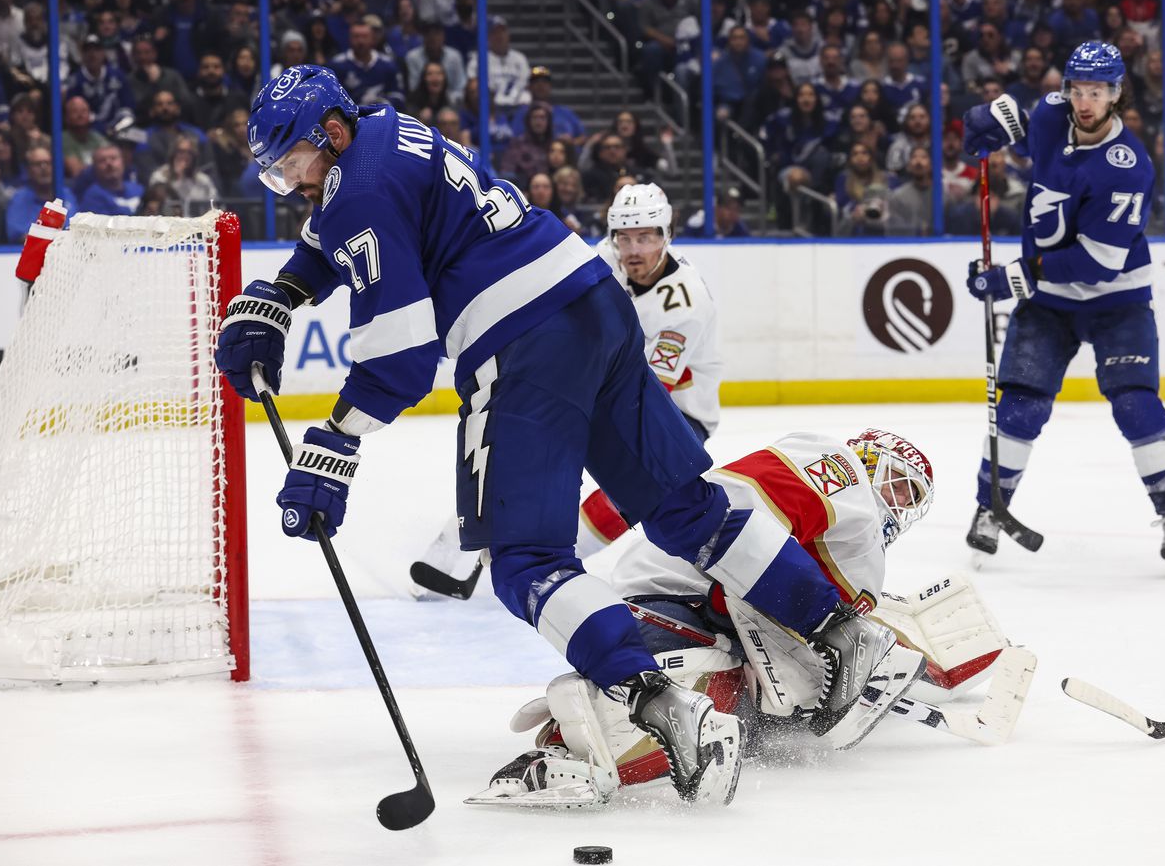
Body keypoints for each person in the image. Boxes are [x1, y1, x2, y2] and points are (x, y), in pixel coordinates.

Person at [218, 66, 890, 806]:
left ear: (331, 135)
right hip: (589, 297)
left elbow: (400, 357)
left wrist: (333, 445)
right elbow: (342, 232)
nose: (295, 183)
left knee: (525, 561)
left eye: (293, 165)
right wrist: (284, 291)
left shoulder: (355, 189)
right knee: (685, 508)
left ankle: (672, 712)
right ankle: (841, 630)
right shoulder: (385, 129)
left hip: (522, 343)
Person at [468, 428, 945, 807]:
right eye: (896, 481)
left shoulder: (859, 551)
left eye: (910, 497)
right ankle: (578, 747)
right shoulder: (840, 471)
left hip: (700, 616)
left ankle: (589, 738)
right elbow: (754, 507)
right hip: (673, 596)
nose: (898, 501)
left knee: (718, 708)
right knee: (660, 699)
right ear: (866, 459)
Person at [960, 41, 1165, 576]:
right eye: (1077, 89)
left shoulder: (1127, 166)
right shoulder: (1053, 114)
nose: (1084, 101)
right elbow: (1024, 128)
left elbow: (1100, 262)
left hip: (1118, 303)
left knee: (1138, 408)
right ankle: (989, 509)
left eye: (1097, 91)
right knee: (1020, 406)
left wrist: (1010, 277)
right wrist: (992, 121)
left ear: (1117, 94)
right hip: (1049, 303)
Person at [413, 182, 722, 585]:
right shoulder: (601, 258)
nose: (633, 251)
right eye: (624, 238)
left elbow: (647, 394)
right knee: (512, 447)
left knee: (617, 502)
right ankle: (463, 547)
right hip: (603, 386)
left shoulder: (685, 305)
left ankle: (547, 562)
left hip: (674, 414)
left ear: (667, 235)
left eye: (646, 237)